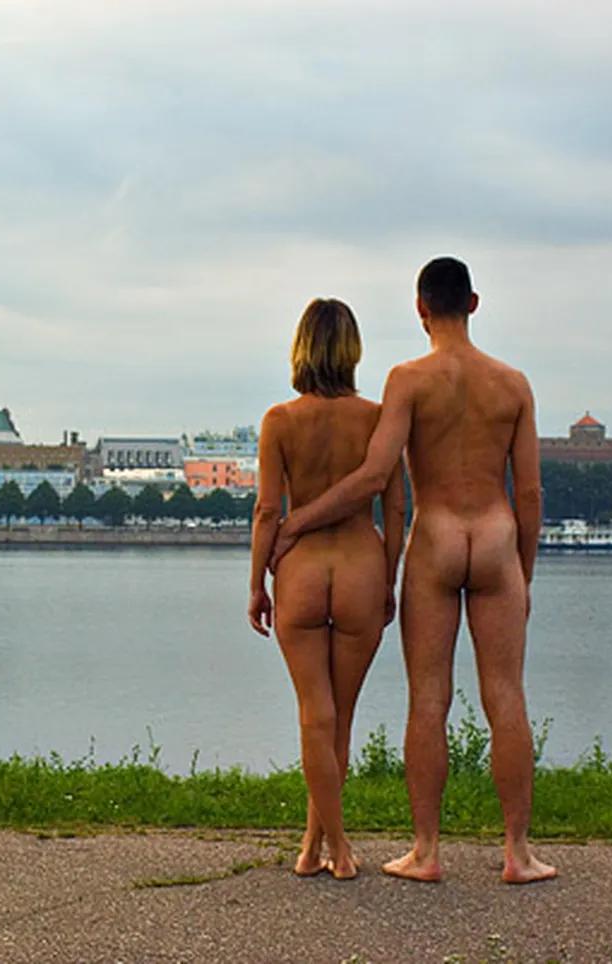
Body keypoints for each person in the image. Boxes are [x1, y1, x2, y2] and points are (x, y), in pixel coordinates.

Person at [271, 258, 556, 885]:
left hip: (436, 540)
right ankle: (518, 853)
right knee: (506, 695)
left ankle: (425, 852)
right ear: (473, 303)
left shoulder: (407, 380)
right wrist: (525, 572)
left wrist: (296, 524)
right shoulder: (513, 385)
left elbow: (375, 478)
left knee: (428, 697)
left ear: (421, 309)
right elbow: (531, 493)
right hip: (496, 540)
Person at [248, 297, 407, 880]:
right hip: (361, 565)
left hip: (302, 574)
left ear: (301, 348)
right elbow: (395, 508)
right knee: (341, 719)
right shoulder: (377, 418)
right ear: (352, 350)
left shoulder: (279, 421)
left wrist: (256, 583)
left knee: (314, 717)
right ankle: (326, 845)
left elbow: (268, 511)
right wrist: (389, 577)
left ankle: (322, 846)